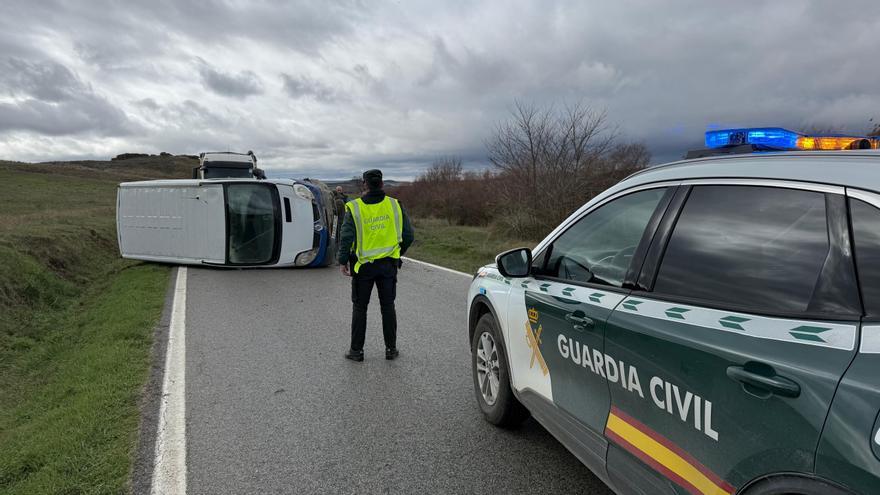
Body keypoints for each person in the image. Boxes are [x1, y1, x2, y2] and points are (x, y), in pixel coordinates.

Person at [338, 169, 414, 362]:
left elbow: (346, 236)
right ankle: (391, 350)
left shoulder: (354, 207)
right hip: (388, 266)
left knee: (360, 308)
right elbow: (408, 235)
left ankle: (356, 351)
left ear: (364, 184)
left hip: (363, 267)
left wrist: (342, 261)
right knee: (388, 306)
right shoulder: (395, 205)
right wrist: (397, 253)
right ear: (382, 184)